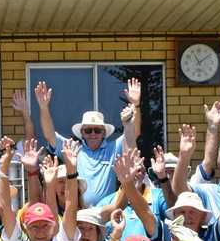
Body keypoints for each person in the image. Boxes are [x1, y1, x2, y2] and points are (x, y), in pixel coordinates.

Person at [34, 78, 141, 207]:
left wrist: (135, 105)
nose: (93, 134)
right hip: (79, 213)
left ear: (104, 133)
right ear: (82, 133)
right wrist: (43, 107)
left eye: (97, 130)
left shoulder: (113, 148)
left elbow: (133, 133)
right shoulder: (73, 149)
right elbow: (49, 135)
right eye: (88, 130)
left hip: (107, 214)